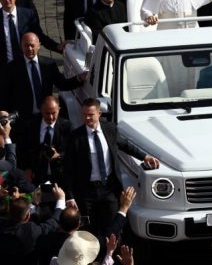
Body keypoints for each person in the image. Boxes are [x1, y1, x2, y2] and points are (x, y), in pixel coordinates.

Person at [62, 98, 159, 236]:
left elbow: (126, 145)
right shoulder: (76, 137)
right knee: (89, 230)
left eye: (90, 114)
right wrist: (70, 196)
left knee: (114, 226)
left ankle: (111, 255)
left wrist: (145, 157)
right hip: (86, 192)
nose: (87, 118)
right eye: (84, 115)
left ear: (99, 113)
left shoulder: (110, 129)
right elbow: (68, 169)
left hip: (109, 188)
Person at [6, 33, 81, 121]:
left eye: (32, 45)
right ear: (21, 46)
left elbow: (62, 84)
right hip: (23, 120)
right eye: (26, 46)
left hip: (46, 118)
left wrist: (79, 79)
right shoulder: (12, 68)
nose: (29, 48)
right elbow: (5, 93)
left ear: (39, 45)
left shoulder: (49, 65)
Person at [0, 0, 63, 68]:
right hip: (5, 68)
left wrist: (58, 47)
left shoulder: (27, 15)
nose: (7, 0)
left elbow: (39, 36)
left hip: (26, 66)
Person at [19, 96, 72, 186]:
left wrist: (59, 155)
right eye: (47, 113)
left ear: (59, 109)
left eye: (54, 113)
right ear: (41, 110)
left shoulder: (67, 127)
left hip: (59, 177)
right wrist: (26, 169)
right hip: (35, 177)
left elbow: (72, 152)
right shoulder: (30, 126)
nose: (51, 117)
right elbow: (22, 150)